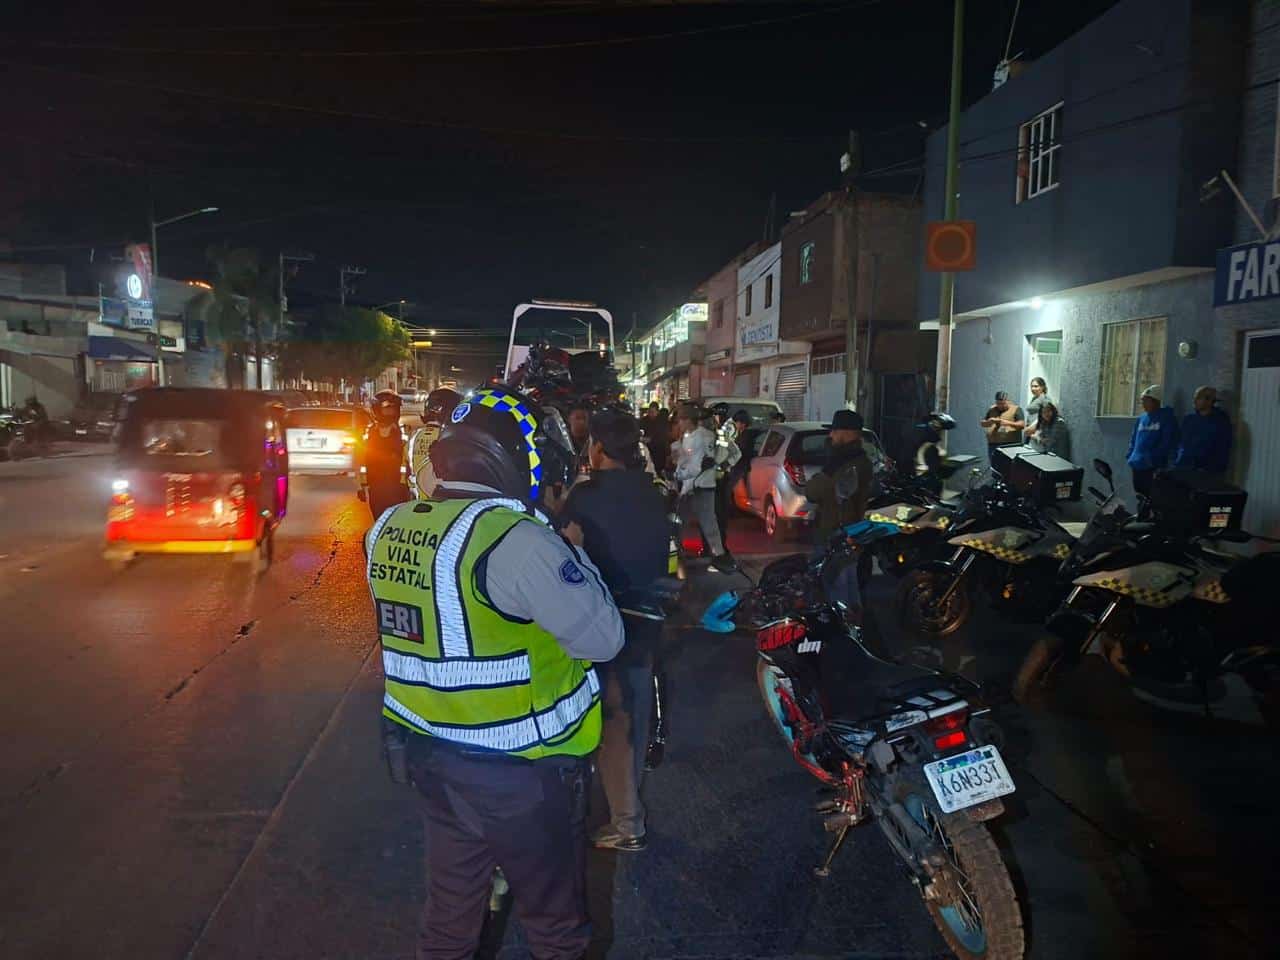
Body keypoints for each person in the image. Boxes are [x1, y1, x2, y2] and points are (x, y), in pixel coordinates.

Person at [366, 385, 624, 960]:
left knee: (449, 918)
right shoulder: (519, 540)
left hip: (431, 757)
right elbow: (603, 638)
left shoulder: (389, 527)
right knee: (556, 928)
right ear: (511, 458)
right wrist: (571, 550)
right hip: (522, 775)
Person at [558, 409, 669, 852]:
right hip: (649, 618)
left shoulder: (585, 496)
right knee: (635, 715)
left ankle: (627, 824)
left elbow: (564, 551)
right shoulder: (654, 491)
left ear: (598, 447)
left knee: (612, 721)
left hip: (604, 620)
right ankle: (626, 807)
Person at [805, 409, 873, 624]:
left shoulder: (847, 464)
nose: (831, 435)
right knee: (846, 585)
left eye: (834, 431)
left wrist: (826, 472)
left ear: (847, 433)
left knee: (840, 589)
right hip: (842, 533)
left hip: (839, 535)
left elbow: (813, 492)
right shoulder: (857, 460)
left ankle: (845, 631)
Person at [673, 405, 736, 573]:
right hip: (690, 487)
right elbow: (686, 462)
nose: (679, 423)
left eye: (681, 420)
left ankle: (719, 557)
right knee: (682, 522)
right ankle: (682, 553)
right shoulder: (689, 437)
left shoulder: (709, 436)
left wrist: (722, 465)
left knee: (708, 525)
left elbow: (697, 466)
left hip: (703, 487)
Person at [359, 390, 410, 519]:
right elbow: (363, 460)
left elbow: (409, 459)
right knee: (379, 521)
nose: (390, 413)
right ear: (376, 410)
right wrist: (363, 485)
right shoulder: (370, 432)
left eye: (393, 409)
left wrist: (408, 486)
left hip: (398, 487)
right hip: (376, 486)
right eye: (386, 409)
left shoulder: (402, 432)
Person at [405, 387, 462, 498]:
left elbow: (407, 469)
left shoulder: (414, 436)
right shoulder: (449, 437)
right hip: (443, 502)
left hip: (418, 501)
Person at [1126, 384, 1179, 497]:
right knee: (1140, 495)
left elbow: (1167, 442)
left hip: (1153, 467)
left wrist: (1152, 460)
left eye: (1146, 401)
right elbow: (1134, 439)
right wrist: (1130, 456)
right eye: (1142, 401)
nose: (1143, 404)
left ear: (1156, 401)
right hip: (1137, 465)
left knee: (1153, 497)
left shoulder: (1166, 418)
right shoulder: (1141, 418)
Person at [1174, 385, 1232, 476]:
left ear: (1210, 401)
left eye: (1198, 398)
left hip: (1206, 472)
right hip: (1183, 468)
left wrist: (1213, 470)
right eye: (1195, 397)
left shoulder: (1220, 422)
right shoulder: (1189, 420)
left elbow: (1223, 449)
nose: (1194, 401)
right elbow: (1180, 442)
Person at [980, 391, 1025, 461]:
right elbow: (983, 423)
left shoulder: (1016, 409)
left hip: (1010, 445)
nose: (1000, 406)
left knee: (1009, 466)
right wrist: (990, 422)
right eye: (998, 403)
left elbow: (1022, 425)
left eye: (1003, 403)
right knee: (994, 465)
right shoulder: (992, 409)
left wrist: (1006, 422)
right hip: (993, 445)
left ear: (1009, 401)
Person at [566, 401, 591, 474]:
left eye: (584, 418)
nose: (582, 422)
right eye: (578, 418)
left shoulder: (593, 442)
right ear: (569, 419)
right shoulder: (564, 442)